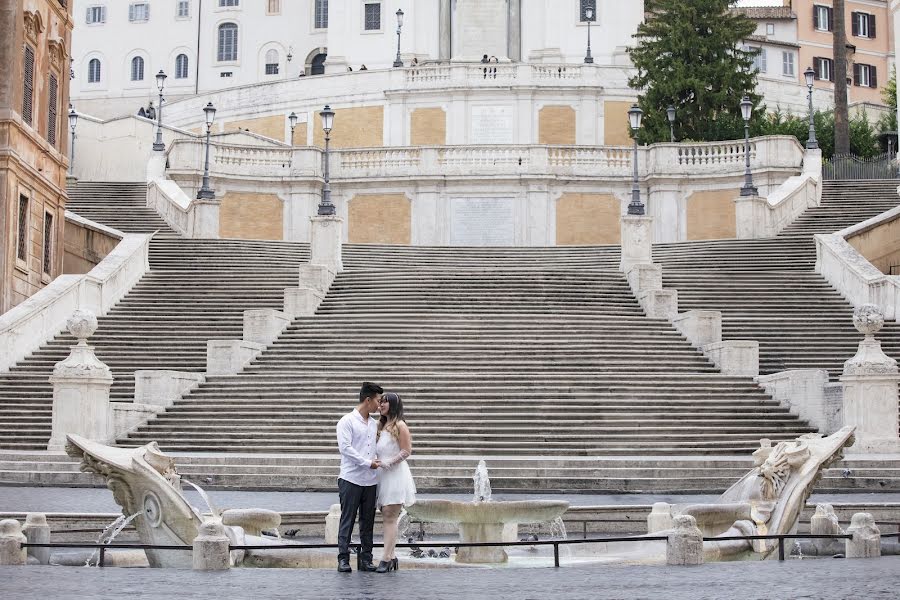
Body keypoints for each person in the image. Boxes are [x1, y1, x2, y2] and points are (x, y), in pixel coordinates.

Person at [335, 381, 383, 573]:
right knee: (347, 519)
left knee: (368, 521)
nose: (380, 405)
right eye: (378, 401)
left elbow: (375, 448)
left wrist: (377, 461)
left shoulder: (373, 424)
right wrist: (367, 463)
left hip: (370, 480)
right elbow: (345, 449)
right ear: (368, 400)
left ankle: (366, 559)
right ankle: (343, 558)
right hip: (351, 479)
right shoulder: (346, 421)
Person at [374, 392, 416, 573]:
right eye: (380, 402)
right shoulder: (381, 426)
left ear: (393, 405)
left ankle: (386, 558)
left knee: (390, 517)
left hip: (395, 476)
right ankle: (391, 556)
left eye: (385, 402)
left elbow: (406, 451)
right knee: (386, 517)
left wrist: (388, 463)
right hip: (382, 475)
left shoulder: (400, 425)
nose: (381, 405)